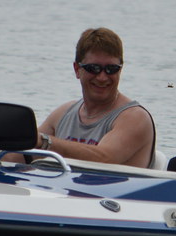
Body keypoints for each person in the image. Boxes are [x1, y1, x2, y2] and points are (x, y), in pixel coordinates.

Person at [25, 27, 155, 168]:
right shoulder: (62, 114)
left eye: (111, 69)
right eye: (94, 68)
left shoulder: (135, 118)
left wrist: (45, 142)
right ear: (77, 70)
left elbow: (104, 158)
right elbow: (22, 151)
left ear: (120, 70)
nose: (102, 77)